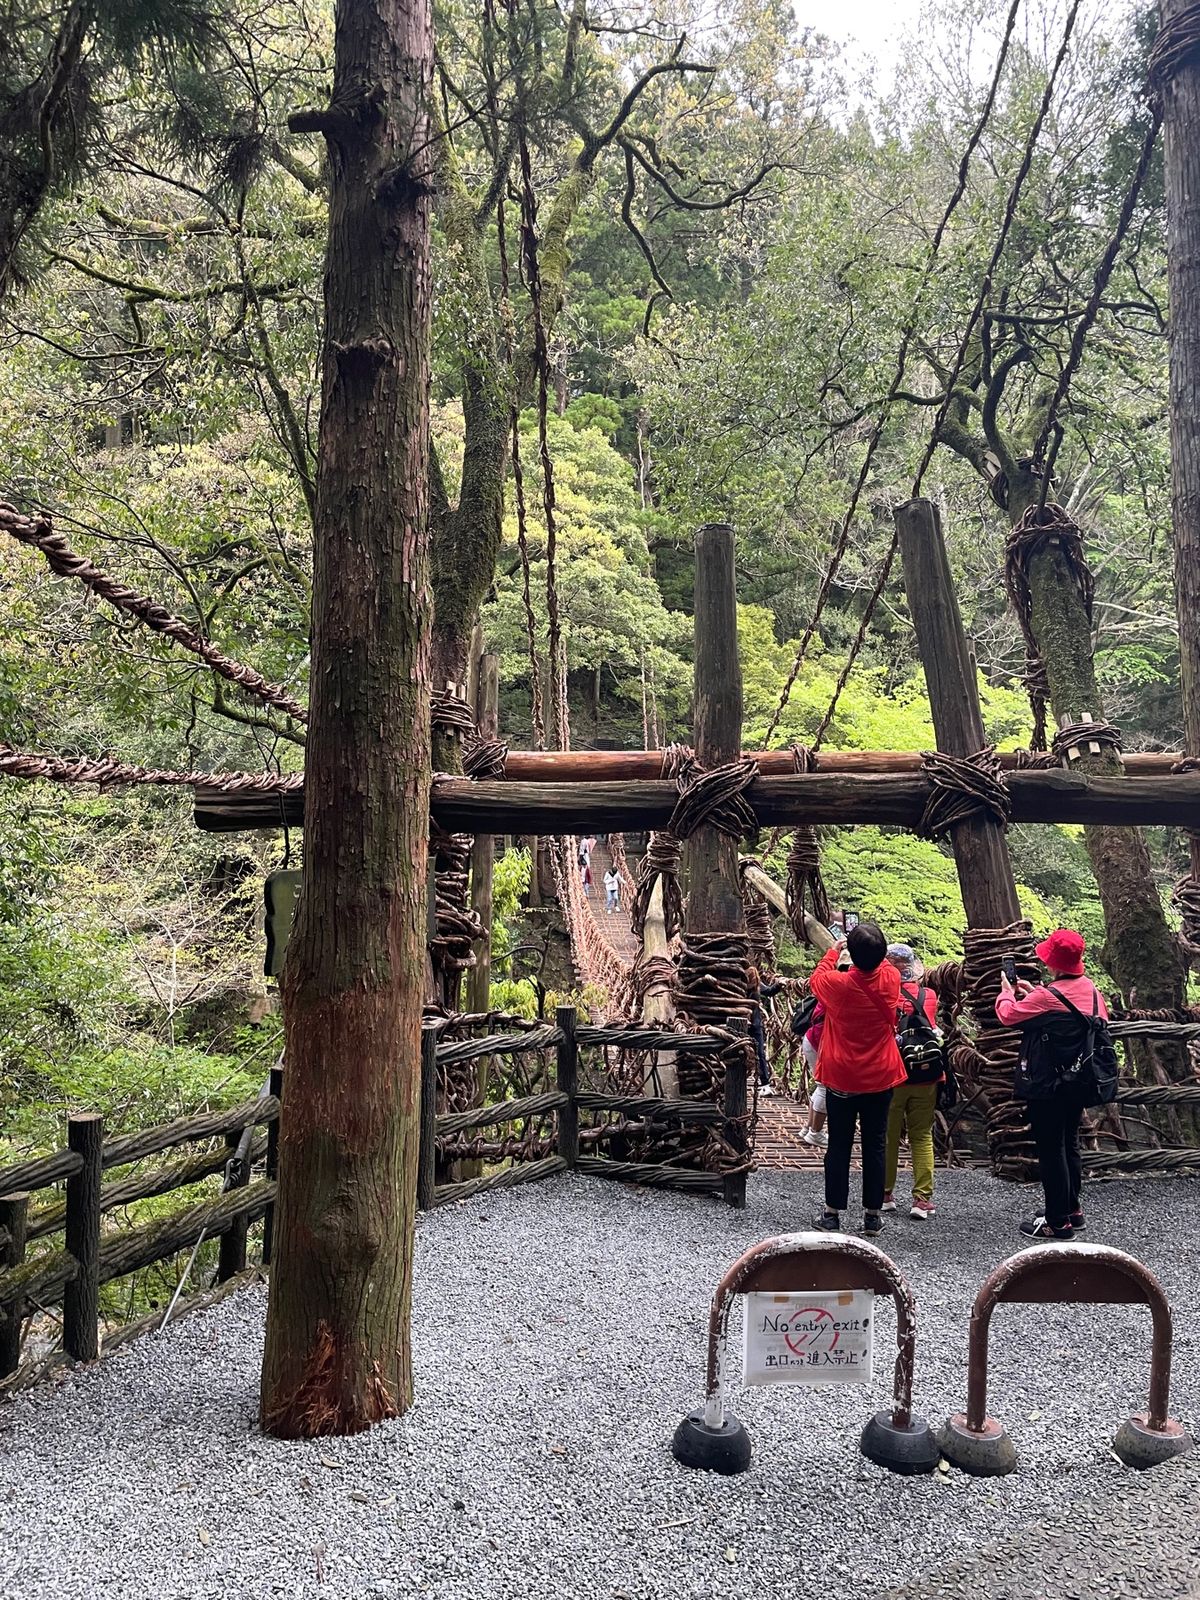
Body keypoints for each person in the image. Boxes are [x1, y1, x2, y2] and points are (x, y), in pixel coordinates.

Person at [995, 927, 1108, 1240]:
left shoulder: (1048, 996)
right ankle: (1072, 1208)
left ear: (1054, 962)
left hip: (1048, 1083)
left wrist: (1006, 990)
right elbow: (1070, 1015)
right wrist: (1037, 992)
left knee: (1050, 1149)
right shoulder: (1092, 991)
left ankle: (1057, 1222)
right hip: (1079, 1080)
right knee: (1069, 1142)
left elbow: (1008, 1015)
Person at [809, 922, 907, 1237]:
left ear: (853, 952)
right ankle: (872, 1216)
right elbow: (884, 965)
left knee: (838, 1145)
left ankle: (832, 1213)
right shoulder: (891, 978)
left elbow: (816, 979)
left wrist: (833, 951)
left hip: (842, 1078)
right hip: (880, 1076)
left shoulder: (838, 986)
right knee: (875, 1145)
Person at [882, 944, 941, 1221]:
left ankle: (885, 1194)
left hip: (893, 1074)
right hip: (927, 1074)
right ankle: (922, 1200)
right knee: (922, 1135)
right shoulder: (929, 995)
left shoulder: (885, 995)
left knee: (888, 1136)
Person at [748, 967, 785, 1095]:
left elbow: (769, 991)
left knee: (759, 1053)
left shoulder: (757, 985)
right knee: (754, 1053)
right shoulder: (741, 986)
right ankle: (761, 1083)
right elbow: (769, 991)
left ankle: (765, 1083)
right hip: (747, 1024)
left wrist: (779, 984)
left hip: (753, 1024)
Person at [800, 1002, 828, 1145]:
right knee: (825, 1087)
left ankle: (809, 1128)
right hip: (818, 1041)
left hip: (812, 1039)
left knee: (821, 1086)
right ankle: (815, 1133)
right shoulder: (836, 995)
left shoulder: (828, 991)